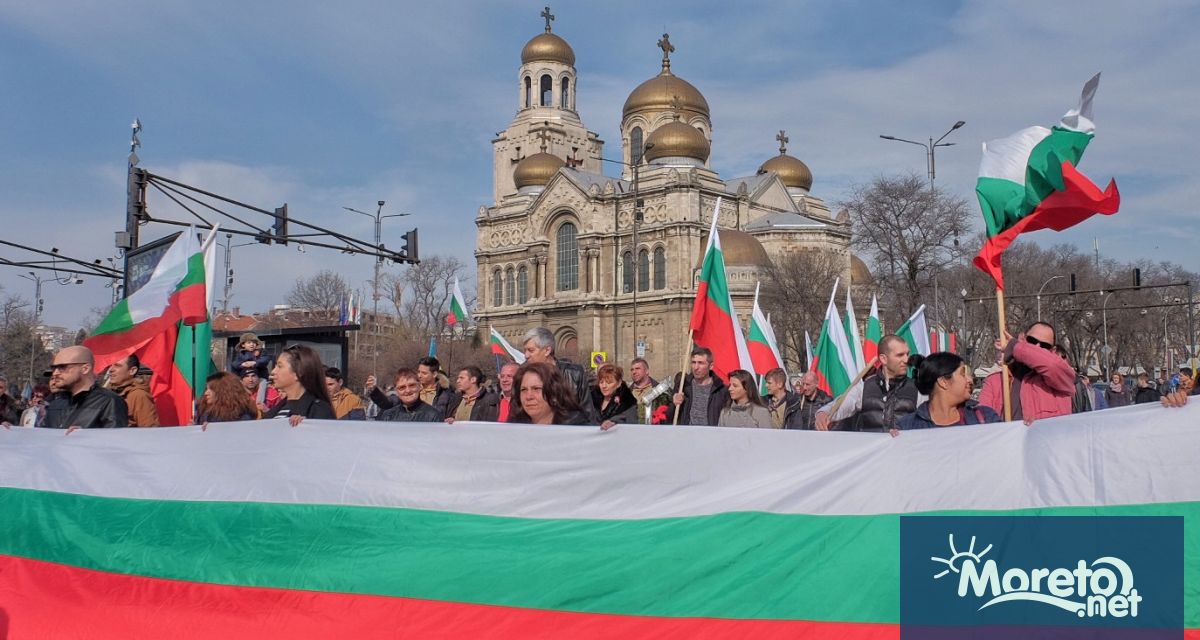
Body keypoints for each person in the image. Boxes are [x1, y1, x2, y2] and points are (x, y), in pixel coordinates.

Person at [815, 335, 921, 432]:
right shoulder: (864, 388)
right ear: (883, 359)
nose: (907, 360)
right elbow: (840, 405)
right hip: (872, 448)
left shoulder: (918, 389)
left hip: (904, 447)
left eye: (907, 354)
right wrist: (823, 414)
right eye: (900, 355)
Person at [979, 322, 1076, 424]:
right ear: (1022, 338)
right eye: (1032, 340)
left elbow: (1052, 365)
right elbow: (982, 419)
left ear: (1053, 350)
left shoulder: (1061, 378)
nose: (1037, 347)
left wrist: (1014, 347)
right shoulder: (995, 381)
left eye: (1045, 345)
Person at [897, 353, 1002, 431]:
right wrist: (892, 441)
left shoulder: (985, 418)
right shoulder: (907, 427)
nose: (970, 380)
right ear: (943, 382)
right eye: (963, 374)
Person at [42, 345, 128, 429]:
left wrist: (85, 435)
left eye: (62, 367)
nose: (55, 373)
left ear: (85, 369)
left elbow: (114, 437)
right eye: (54, 368)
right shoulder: (55, 404)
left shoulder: (109, 402)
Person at [522, 327, 591, 416]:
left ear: (547, 350)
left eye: (531, 350)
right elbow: (516, 414)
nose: (526, 355)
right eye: (525, 350)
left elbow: (588, 413)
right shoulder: (522, 374)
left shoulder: (574, 373)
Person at [266, 344, 336, 426]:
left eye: (279, 366)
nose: (273, 372)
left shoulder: (319, 409)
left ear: (299, 372)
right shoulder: (277, 409)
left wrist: (306, 426)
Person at [507, 361, 590, 425]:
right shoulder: (513, 426)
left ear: (553, 393)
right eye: (524, 390)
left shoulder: (576, 426)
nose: (529, 397)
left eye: (536, 389)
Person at [671, 347, 729, 426]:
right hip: (687, 432)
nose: (696, 367)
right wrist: (674, 405)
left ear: (711, 366)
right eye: (693, 362)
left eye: (701, 363)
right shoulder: (683, 386)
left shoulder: (721, 389)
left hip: (711, 432)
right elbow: (669, 418)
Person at [104, 354, 160, 427]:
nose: (111, 370)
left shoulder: (139, 396)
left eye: (117, 366)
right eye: (110, 365)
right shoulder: (107, 393)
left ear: (132, 371)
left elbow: (150, 429)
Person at [378, 368, 443, 423]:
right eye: (402, 387)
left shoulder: (433, 415)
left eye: (412, 385)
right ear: (396, 391)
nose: (408, 391)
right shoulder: (387, 416)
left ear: (420, 386)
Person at [592, 363, 639, 431]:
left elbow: (632, 426)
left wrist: (614, 422)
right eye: (601, 382)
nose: (604, 386)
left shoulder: (627, 402)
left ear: (618, 383)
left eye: (609, 382)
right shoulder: (591, 400)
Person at [628, 357, 670, 424]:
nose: (634, 372)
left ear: (647, 371)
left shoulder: (662, 392)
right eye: (632, 370)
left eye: (637, 369)